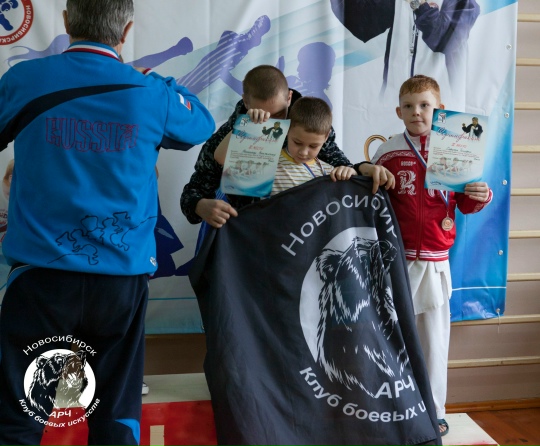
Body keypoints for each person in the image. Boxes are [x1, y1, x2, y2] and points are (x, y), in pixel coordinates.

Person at [0, 1, 215, 445]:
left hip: (42, 281)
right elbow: (201, 123)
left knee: (20, 421)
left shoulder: (26, 79)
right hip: (118, 285)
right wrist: (155, 78)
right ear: (127, 30)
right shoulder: (150, 92)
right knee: (114, 417)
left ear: (66, 21)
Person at [370, 74, 492, 437]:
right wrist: (370, 172)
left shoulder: (456, 147)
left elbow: (465, 203)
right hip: (396, 259)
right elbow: (371, 200)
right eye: (408, 106)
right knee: (391, 336)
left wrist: (480, 194)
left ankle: (435, 409)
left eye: (425, 105)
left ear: (440, 110)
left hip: (436, 260)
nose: (416, 112)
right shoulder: (388, 152)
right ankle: (394, 406)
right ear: (398, 111)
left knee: (435, 342)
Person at [181, 64, 393, 229]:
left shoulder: (308, 123)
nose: (271, 124)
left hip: (301, 232)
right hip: (247, 236)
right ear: (246, 102)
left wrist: (365, 169)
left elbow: (341, 167)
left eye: (278, 115)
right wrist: (200, 206)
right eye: (263, 117)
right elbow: (193, 191)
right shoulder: (227, 135)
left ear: (289, 97)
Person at [215, 97, 376, 195]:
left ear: (326, 137)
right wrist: (247, 125)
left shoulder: (329, 172)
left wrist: (351, 173)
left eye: (313, 146)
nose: (304, 152)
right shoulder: (265, 160)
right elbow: (221, 158)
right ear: (287, 130)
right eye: (297, 142)